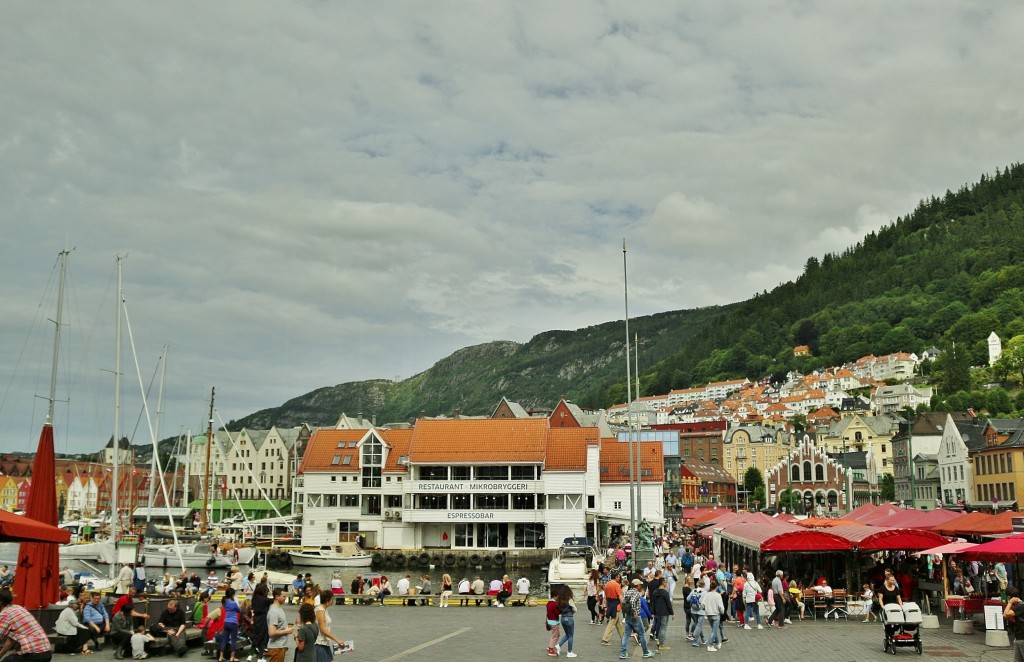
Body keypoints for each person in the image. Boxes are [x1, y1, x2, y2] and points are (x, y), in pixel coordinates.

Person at [619, 578, 654, 659]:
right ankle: (645, 652)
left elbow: (623, 602)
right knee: (642, 634)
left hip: (628, 616)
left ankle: (623, 653)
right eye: (640, 585)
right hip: (635, 617)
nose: (640, 586)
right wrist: (635, 612)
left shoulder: (627, 592)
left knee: (626, 635)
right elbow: (632, 601)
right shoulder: (636, 593)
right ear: (637, 585)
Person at [266, 588, 294, 662]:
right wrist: (286, 631)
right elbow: (271, 633)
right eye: (284, 596)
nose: (286, 598)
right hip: (276, 647)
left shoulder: (278, 608)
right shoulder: (274, 612)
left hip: (280, 646)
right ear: (277, 597)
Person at [313, 591, 342, 662]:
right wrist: (337, 640)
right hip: (319, 642)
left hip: (325, 642)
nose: (332, 601)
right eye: (331, 599)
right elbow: (323, 629)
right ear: (327, 600)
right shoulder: (320, 610)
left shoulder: (324, 609)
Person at [600, 571, 625, 645]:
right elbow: (620, 597)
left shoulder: (607, 584)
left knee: (618, 623)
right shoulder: (616, 585)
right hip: (616, 605)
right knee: (612, 622)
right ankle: (605, 639)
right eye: (619, 577)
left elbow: (605, 597)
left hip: (610, 604)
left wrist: (604, 605)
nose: (619, 578)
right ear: (616, 577)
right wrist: (624, 605)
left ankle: (623, 637)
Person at [218, 588, 241, 662]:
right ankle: (232, 657)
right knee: (233, 640)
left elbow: (225, 608)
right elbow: (239, 611)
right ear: (232, 595)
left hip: (226, 622)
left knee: (224, 639)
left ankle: (221, 657)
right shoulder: (233, 603)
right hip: (233, 622)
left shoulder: (225, 602)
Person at [701, 578, 725, 652]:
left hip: (709, 614)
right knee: (714, 631)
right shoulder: (718, 595)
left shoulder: (707, 595)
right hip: (716, 614)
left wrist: (705, 609)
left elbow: (702, 604)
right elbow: (721, 606)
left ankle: (717, 643)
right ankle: (710, 645)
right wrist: (722, 612)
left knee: (713, 630)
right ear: (716, 587)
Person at [651, 576, 674, 651]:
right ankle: (662, 644)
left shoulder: (655, 592)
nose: (666, 583)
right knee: (663, 628)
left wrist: (654, 612)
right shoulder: (665, 593)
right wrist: (672, 613)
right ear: (662, 583)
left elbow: (653, 603)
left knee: (660, 627)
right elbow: (668, 604)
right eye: (665, 582)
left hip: (657, 613)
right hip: (664, 613)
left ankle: (659, 641)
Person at [250, 582, 271, 660]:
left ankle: (251, 652)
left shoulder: (254, 598)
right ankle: (260, 656)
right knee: (263, 636)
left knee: (257, 634)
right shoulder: (265, 600)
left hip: (256, 618)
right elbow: (271, 601)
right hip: (263, 618)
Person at [557, 585, 577, 658]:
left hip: (563, 618)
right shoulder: (569, 600)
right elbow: (575, 610)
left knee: (567, 634)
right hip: (569, 618)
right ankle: (569, 652)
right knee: (571, 636)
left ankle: (558, 645)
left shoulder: (559, 601)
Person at [545, 586, 561, 657]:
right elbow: (557, 612)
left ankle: (551, 646)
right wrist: (561, 610)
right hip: (554, 621)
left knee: (556, 634)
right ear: (556, 596)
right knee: (555, 635)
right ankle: (551, 648)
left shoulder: (548, 603)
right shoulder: (554, 604)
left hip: (549, 621)